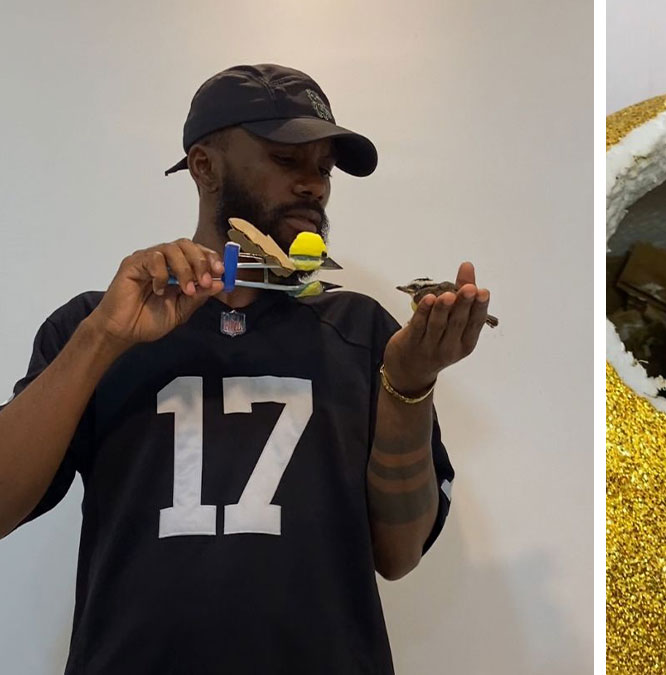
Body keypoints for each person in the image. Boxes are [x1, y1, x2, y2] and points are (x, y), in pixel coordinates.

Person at [0, 64, 491, 674]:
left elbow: (399, 553)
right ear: (204, 166)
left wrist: (409, 385)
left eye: (324, 168)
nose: (313, 185)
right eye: (287, 160)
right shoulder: (96, 324)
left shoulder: (361, 332)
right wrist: (102, 338)